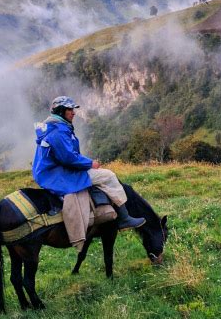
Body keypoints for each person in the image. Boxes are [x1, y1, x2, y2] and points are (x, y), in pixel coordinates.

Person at [32, 96, 146, 233]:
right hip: (57, 173)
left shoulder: (54, 127)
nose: (73, 113)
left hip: (49, 171)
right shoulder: (59, 131)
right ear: (61, 111)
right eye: (69, 109)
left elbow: (69, 153)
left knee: (98, 174)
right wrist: (90, 163)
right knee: (108, 175)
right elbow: (68, 158)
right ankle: (124, 217)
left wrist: (87, 162)